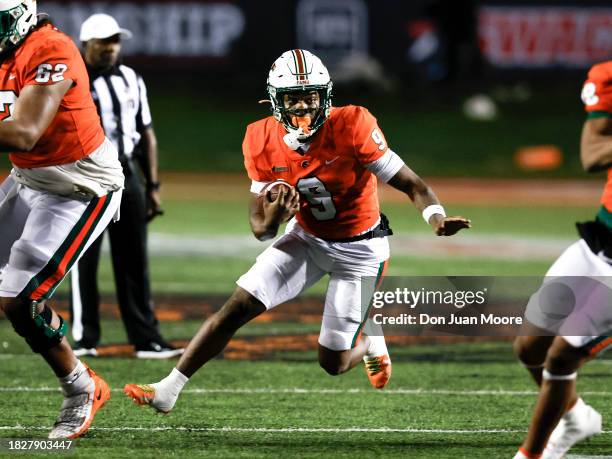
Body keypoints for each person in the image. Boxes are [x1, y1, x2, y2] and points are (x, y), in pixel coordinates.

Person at [123, 49, 470, 413]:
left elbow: (413, 184)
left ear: (326, 96)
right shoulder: (259, 138)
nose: (303, 106)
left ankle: (369, 343)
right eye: (293, 98)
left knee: (332, 362)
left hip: (360, 251)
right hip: (305, 238)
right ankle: (168, 389)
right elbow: (259, 229)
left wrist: (436, 217)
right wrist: (274, 218)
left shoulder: (353, 124)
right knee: (237, 307)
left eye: (311, 96)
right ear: (276, 100)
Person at [0, 1, 124, 439]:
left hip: (80, 187)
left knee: (19, 300)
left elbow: (24, 131)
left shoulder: (50, 47)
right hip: (28, 177)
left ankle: (81, 387)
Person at [512, 61, 612, 459]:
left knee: (563, 353)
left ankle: (531, 455)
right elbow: (592, 154)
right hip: (599, 242)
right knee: (529, 346)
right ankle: (576, 416)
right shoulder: (606, 78)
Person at [69, 13, 182, 359]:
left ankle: (145, 338)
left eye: (115, 41)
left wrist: (153, 185)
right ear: (86, 44)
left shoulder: (131, 78)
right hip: (86, 173)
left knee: (134, 257)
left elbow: (146, 133)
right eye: (104, 41)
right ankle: (85, 338)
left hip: (126, 171)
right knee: (83, 256)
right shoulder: (72, 80)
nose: (112, 48)